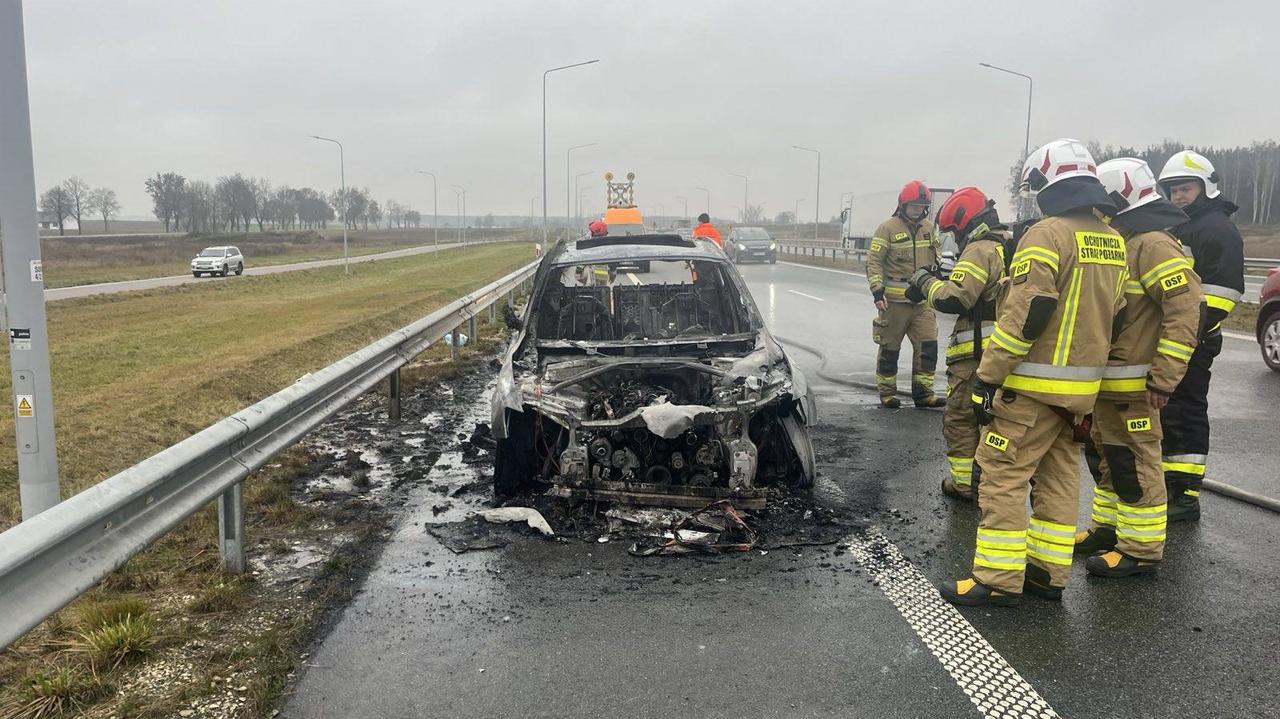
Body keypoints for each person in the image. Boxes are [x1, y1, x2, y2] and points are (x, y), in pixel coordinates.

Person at [939, 139, 1126, 607]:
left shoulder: (1047, 235)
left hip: (1032, 387)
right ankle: (1047, 574)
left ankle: (998, 581)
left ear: (1046, 184)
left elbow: (1028, 312)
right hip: (1080, 391)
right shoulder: (1112, 239)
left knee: (1002, 474)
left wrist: (987, 375)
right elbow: (1118, 314)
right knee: (1060, 477)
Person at [1073, 158, 1203, 578]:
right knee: (1111, 459)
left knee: (1137, 461)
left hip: (1137, 385)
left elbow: (1185, 310)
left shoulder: (1153, 243)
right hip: (1112, 384)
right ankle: (1109, 529)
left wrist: (1164, 377)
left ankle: (1141, 550)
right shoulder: (1126, 239)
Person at [1155, 150, 1245, 522]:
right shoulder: (1183, 226)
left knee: (1185, 411)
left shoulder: (1215, 228)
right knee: (1169, 411)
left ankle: (1186, 494)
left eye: (1185, 188)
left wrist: (1187, 333)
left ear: (1205, 187)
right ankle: (1168, 484)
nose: (1178, 196)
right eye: (1173, 190)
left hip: (1194, 338)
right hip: (1176, 336)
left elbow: (1222, 293)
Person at [906, 187, 1011, 501]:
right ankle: (997, 483)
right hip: (1006, 351)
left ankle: (965, 485)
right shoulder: (1006, 244)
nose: (955, 237)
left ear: (966, 222)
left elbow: (956, 297)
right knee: (1000, 421)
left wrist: (924, 282)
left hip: (976, 355)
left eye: (954, 231)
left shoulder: (980, 248)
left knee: (961, 417)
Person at [866, 180, 946, 408]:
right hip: (894, 302)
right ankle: (888, 393)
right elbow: (874, 261)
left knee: (928, 347)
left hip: (922, 302)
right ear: (903, 205)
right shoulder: (887, 228)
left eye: (921, 206)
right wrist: (877, 291)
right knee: (890, 349)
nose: (917, 210)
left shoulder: (929, 228)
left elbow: (937, 254)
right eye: (913, 206)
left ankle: (923, 394)